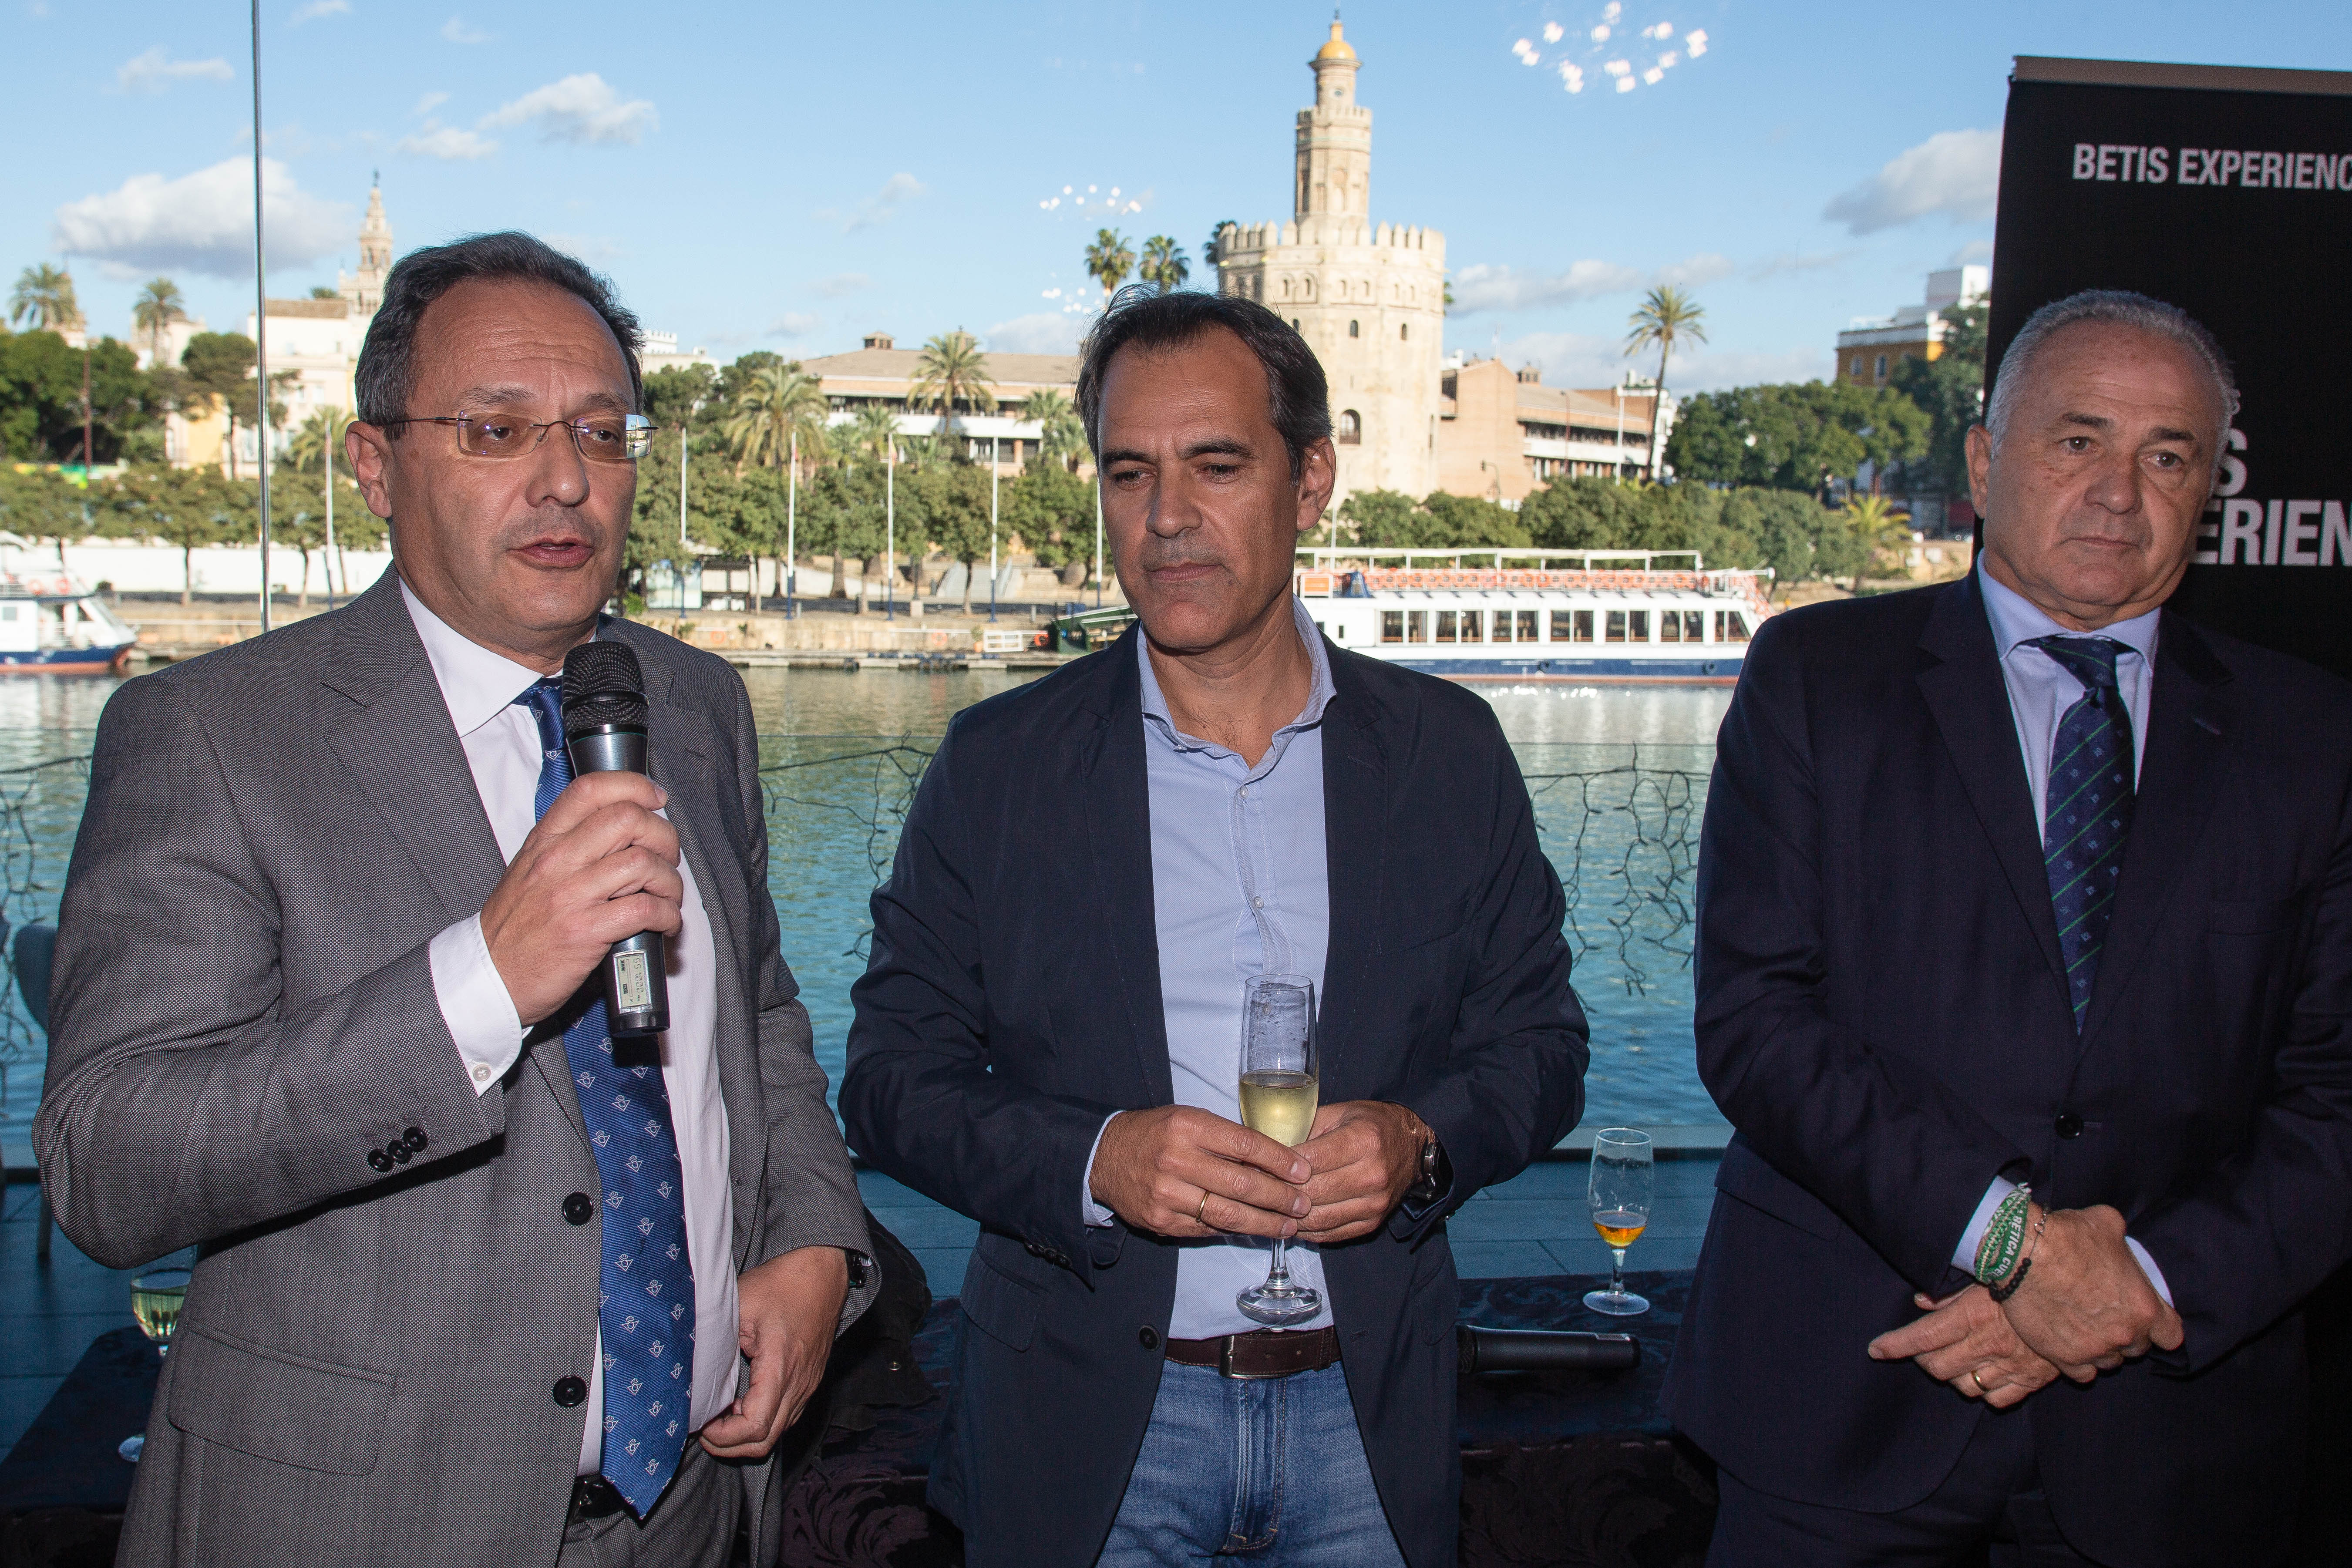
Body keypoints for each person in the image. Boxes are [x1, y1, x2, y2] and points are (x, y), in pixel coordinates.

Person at [37, 232, 875, 1568]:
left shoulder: (695, 704)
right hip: (355, 1523)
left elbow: (761, 1016)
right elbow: (108, 1161)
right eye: (495, 431)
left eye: (600, 432)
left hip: (693, 1511)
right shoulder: (210, 733)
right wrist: (480, 979)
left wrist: (815, 1239)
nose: (564, 478)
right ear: (376, 465)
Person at [841, 286, 1586, 1568]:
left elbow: (1542, 1047)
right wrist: (1095, 1161)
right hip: (1088, 1440)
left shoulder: (1447, 754)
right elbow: (888, 1080)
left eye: (1217, 466)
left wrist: (1420, 1143)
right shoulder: (999, 765)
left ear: (1312, 482)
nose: (1167, 516)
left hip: (1369, 1422)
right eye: (1129, 472)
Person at [1666, 289, 2352, 1566]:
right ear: (1984, 464)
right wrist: (2016, 1251)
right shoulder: (1817, 679)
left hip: (2173, 1437)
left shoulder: (2312, 738)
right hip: (1844, 1397)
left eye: (2168, 458)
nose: (2119, 493)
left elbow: (2335, 1100)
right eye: (2076, 440)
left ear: (2209, 492)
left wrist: (2137, 1286)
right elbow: (1758, 1024)